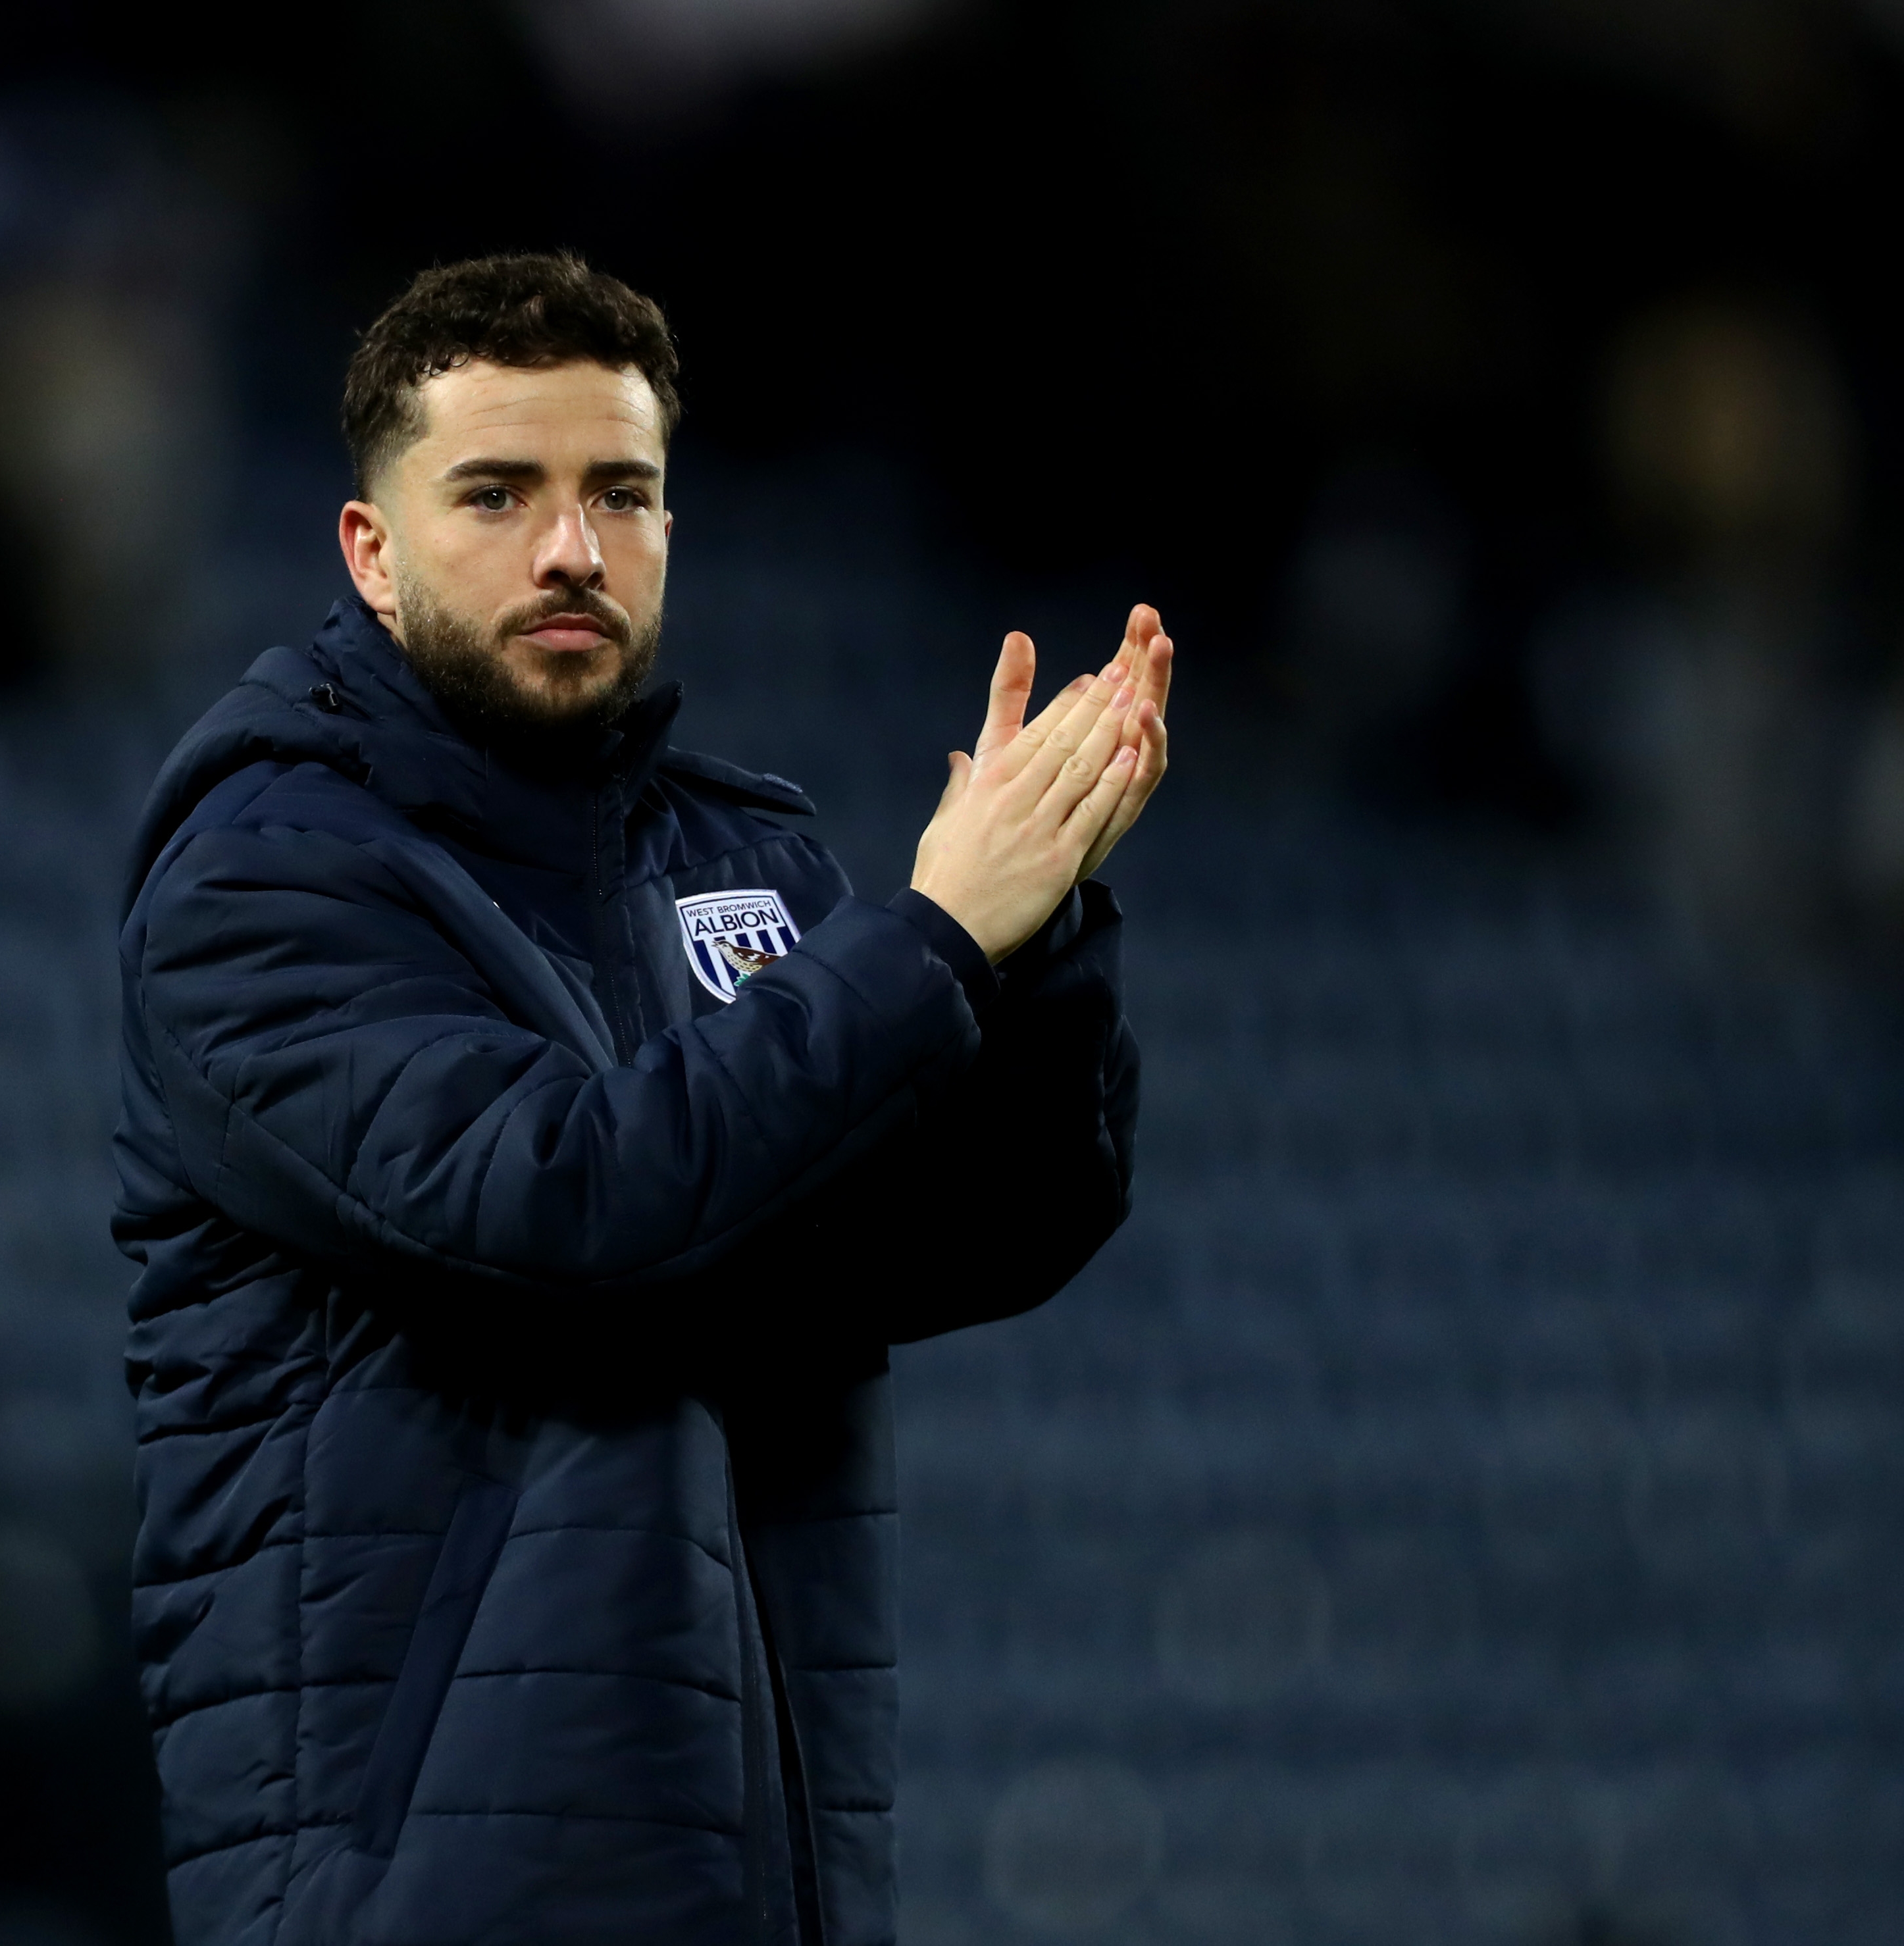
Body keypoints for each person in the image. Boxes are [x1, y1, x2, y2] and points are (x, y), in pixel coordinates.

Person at [109, 251, 1170, 1946]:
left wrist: (1030, 935)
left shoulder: (740, 855)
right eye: (495, 493)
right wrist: (933, 935)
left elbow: (960, 1237)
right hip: (425, 1888)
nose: (570, 551)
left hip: (760, 1862)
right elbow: (574, 1208)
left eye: (622, 492)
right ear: (368, 553)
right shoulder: (266, 883)